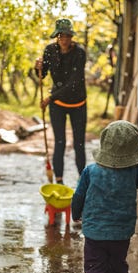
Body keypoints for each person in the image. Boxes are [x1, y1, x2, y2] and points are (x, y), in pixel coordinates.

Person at [71, 120, 138, 273]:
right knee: (117, 263)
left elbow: (78, 196)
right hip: (121, 231)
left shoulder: (90, 171)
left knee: (94, 265)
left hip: (95, 231)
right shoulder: (133, 172)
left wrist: (75, 213)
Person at [35, 19, 87, 185]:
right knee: (60, 142)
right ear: (57, 36)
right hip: (58, 105)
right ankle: (59, 181)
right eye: (61, 36)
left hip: (78, 103)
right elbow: (42, 76)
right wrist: (38, 68)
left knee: (79, 143)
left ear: (72, 37)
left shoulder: (79, 53)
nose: (64, 39)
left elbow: (74, 82)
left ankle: (82, 179)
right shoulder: (50, 51)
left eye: (67, 36)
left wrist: (50, 98)